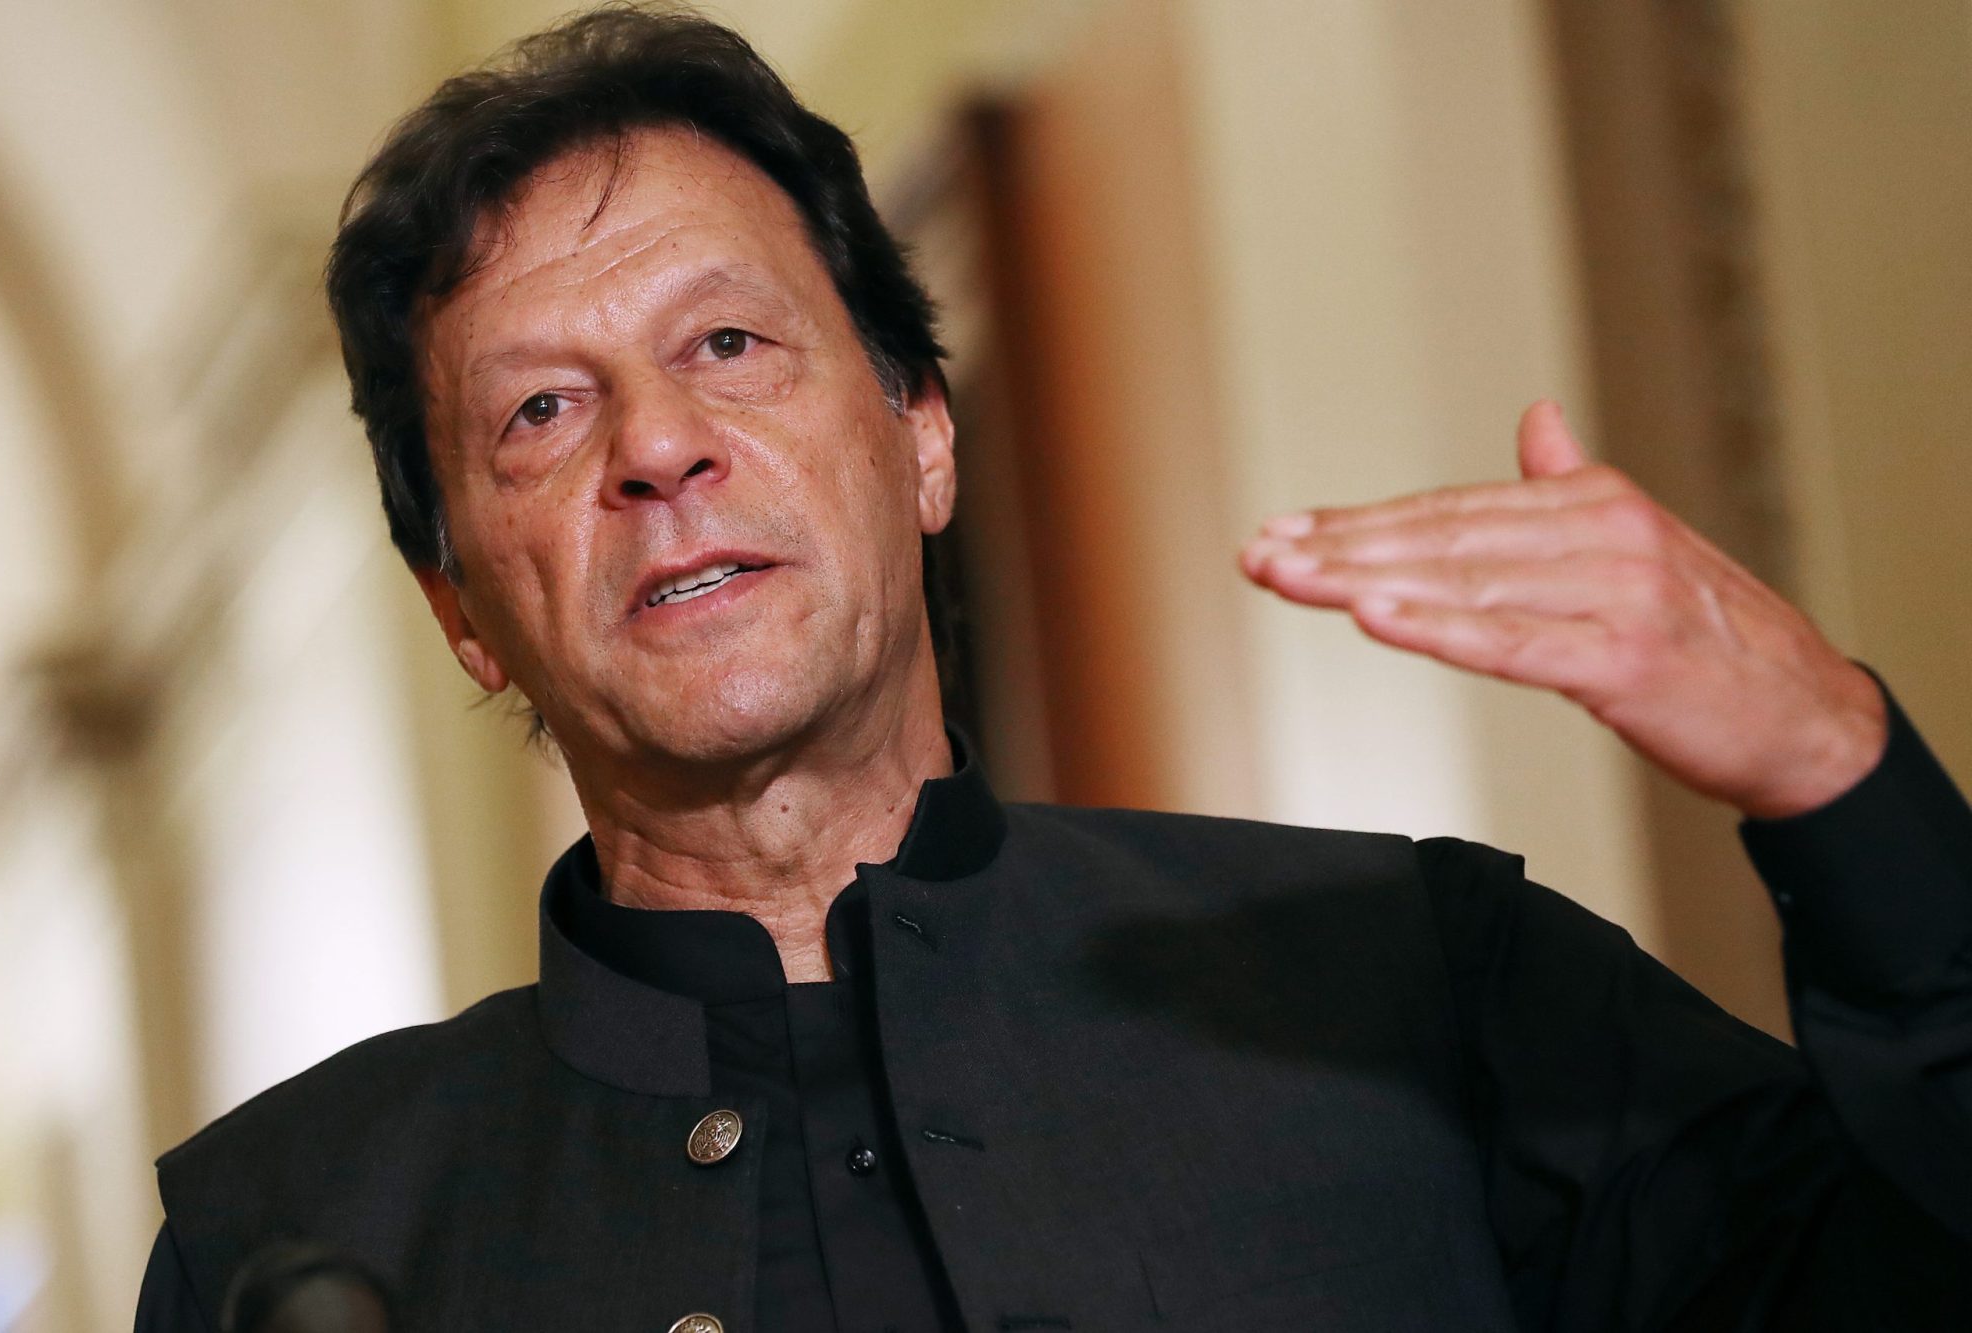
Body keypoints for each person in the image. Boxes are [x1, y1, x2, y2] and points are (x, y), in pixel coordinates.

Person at [136, 5, 1972, 1330]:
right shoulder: (290, 1236)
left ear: (921, 434)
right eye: (541, 408)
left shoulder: (1413, 986)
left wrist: (1843, 775)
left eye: (731, 342)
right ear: (463, 607)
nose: (660, 447)